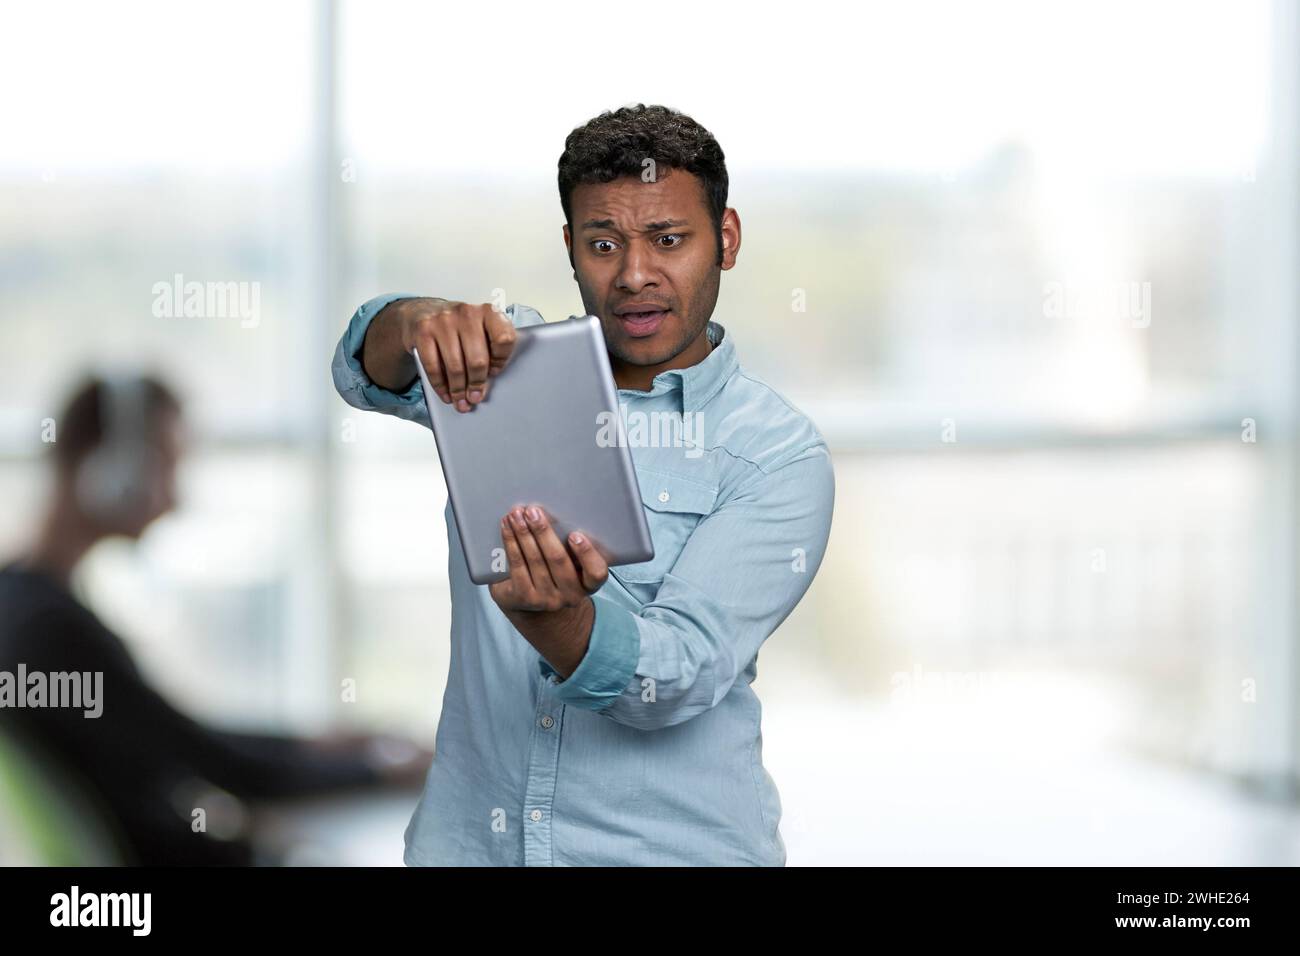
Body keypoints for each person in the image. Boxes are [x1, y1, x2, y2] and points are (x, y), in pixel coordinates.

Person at [333, 104, 835, 866]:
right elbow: (363, 374)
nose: (635, 275)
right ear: (570, 248)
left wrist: (563, 625)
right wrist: (417, 322)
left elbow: (678, 672)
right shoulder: (502, 367)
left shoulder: (778, 455)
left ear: (725, 240)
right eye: (604, 244)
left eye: (669, 240)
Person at [0, 374, 430, 865]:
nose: (175, 498)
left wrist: (318, 745)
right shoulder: (48, 629)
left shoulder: (20, 602)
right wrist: (380, 769)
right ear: (109, 468)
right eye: (165, 464)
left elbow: (179, 736)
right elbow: (222, 766)